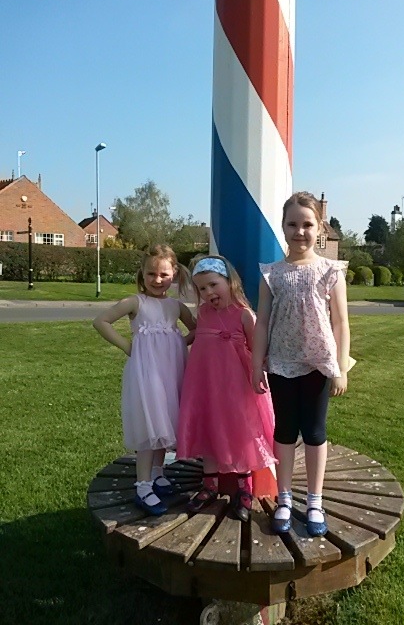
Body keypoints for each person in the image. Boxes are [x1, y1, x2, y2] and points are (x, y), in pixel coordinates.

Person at [252, 191, 351, 537]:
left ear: (319, 227)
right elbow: (262, 322)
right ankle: (284, 498)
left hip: (318, 364)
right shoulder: (272, 274)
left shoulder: (330, 271)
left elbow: (341, 322)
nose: (300, 231)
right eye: (292, 224)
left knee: (314, 432)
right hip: (281, 363)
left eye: (307, 224)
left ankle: (314, 501)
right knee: (284, 431)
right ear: (282, 227)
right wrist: (256, 364)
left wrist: (339, 367)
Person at [93, 244, 196, 516]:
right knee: (150, 426)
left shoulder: (176, 306)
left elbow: (198, 329)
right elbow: (101, 321)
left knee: (165, 423)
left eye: (163, 274)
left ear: (174, 274)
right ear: (142, 272)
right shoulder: (135, 302)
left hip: (171, 372)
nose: (157, 280)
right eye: (151, 274)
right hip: (146, 373)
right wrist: (128, 347)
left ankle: (158, 473)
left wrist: (178, 343)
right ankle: (143, 486)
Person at [176, 255, 276, 522]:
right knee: (209, 428)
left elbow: (257, 350)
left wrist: (257, 375)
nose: (208, 292)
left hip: (235, 388)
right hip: (205, 385)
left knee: (239, 432)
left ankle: (244, 489)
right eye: (202, 288)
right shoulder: (203, 314)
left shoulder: (244, 314)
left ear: (229, 281)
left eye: (213, 285)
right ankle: (210, 485)